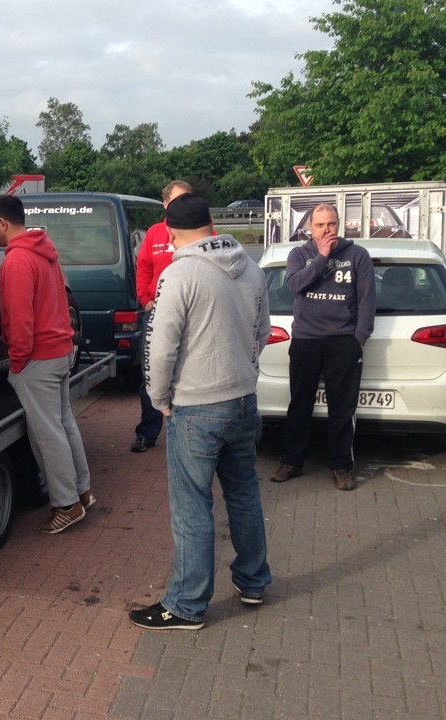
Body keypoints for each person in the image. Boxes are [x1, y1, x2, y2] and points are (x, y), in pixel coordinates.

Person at [129, 193, 272, 630]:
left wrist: (159, 399)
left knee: (192, 507)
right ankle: (253, 581)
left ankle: (187, 605)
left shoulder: (178, 274)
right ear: (212, 223)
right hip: (243, 399)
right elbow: (262, 331)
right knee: (243, 493)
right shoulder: (250, 266)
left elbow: (159, 347)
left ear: (169, 232)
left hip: (195, 407)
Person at [0, 194, 94, 534]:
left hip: (37, 358)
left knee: (46, 435)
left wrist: (17, 361)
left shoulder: (17, 262)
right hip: (59, 351)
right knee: (64, 424)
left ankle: (66, 505)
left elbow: (19, 319)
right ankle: (83, 492)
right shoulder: (45, 253)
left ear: (4, 223)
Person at [270, 204, 376, 491]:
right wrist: (321, 258)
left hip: (343, 341)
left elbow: (367, 300)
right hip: (306, 339)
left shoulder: (357, 255)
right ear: (310, 228)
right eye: (320, 225)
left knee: (342, 407)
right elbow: (295, 285)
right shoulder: (299, 255)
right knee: (300, 403)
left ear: (339, 224)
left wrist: (360, 338)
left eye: (331, 224)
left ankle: (341, 466)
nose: (326, 230)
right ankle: (292, 460)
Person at [131, 179, 194, 452]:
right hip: (156, 314)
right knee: (152, 374)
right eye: (178, 201)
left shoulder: (202, 231)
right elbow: (143, 269)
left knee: (189, 373)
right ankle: (148, 431)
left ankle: (187, 432)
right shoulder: (155, 234)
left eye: (188, 200)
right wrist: (146, 301)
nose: (183, 206)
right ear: (166, 204)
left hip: (192, 314)